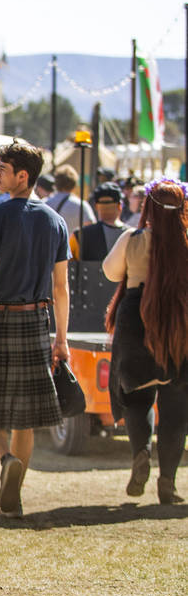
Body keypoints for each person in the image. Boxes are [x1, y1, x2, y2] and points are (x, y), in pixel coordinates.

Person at [0, 140, 70, 518]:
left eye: (1, 169)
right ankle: (15, 497)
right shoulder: (56, 221)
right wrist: (62, 338)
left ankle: (6, 459)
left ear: (22, 176)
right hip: (37, 320)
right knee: (26, 416)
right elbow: (61, 288)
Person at [102, 178, 188, 504]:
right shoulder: (186, 242)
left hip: (134, 319)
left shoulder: (133, 238)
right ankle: (168, 482)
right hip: (178, 326)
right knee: (176, 408)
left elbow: (111, 272)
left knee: (136, 398)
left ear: (149, 206)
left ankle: (140, 453)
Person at [71, 182, 126, 261]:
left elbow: (68, 264)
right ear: (120, 206)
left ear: (96, 206)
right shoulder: (132, 235)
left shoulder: (79, 235)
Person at [46, 164, 96, 233]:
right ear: (74, 184)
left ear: (56, 183)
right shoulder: (82, 205)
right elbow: (91, 228)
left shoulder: (45, 203)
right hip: (73, 243)